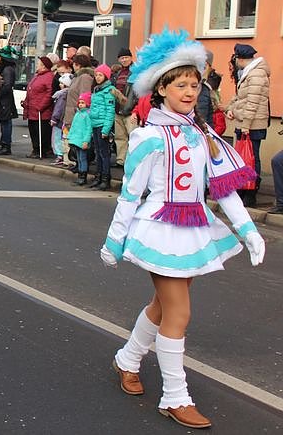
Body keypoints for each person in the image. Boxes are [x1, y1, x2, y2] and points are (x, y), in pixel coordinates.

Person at [101, 28, 264, 430]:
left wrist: (249, 230)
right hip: (160, 229)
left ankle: (127, 359)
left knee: (162, 306)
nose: (190, 92)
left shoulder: (203, 133)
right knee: (179, 312)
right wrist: (114, 239)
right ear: (161, 89)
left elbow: (223, 189)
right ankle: (175, 396)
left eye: (194, 84)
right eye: (181, 85)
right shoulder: (149, 136)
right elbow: (130, 193)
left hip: (193, 228)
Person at [225, 43, 270, 208]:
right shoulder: (248, 72)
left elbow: (252, 102)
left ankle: (251, 193)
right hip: (245, 122)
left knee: (252, 157)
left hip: (252, 124)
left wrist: (246, 124)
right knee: (243, 157)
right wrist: (230, 109)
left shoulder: (256, 73)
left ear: (240, 58)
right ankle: (243, 188)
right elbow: (240, 97)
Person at [88, 64, 116, 190]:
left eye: (100, 75)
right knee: (98, 152)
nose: (98, 77)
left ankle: (105, 178)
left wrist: (106, 129)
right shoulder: (96, 90)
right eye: (96, 75)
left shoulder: (108, 91)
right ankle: (98, 176)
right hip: (95, 124)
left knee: (104, 154)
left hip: (102, 125)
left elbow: (110, 111)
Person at [22, 55, 54, 158]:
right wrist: (25, 102)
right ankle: (35, 149)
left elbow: (49, 93)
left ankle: (42, 150)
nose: (37, 65)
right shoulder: (37, 76)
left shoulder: (49, 76)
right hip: (32, 109)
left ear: (44, 66)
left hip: (41, 111)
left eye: (39, 64)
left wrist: (42, 105)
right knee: (33, 131)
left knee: (41, 132)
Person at [110, 48, 136, 167]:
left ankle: (133, 161)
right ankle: (121, 161)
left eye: (126, 57)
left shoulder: (136, 72)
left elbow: (138, 93)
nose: (124, 60)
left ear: (131, 58)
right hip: (118, 109)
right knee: (120, 138)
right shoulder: (118, 73)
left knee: (133, 136)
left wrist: (134, 108)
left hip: (130, 110)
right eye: (122, 58)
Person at [0, 47, 19, 156]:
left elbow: (7, 86)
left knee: (5, 122)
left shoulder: (7, 70)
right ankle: (4, 142)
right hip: (4, 100)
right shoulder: (5, 69)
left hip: (5, 101)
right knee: (4, 122)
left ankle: (6, 145)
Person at [67, 92, 93, 185]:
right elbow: (73, 127)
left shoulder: (87, 115)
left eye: (83, 103)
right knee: (79, 158)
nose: (81, 104)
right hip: (76, 140)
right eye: (80, 102)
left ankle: (83, 176)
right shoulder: (77, 114)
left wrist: (86, 141)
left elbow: (89, 129)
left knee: (83, 158)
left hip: (82, 141)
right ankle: (80, 175)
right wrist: (70, 137)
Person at [50, 70, 72, 166]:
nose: (60, 85)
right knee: (63, 138)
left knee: (57, 138)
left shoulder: (62, 95)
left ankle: (59, 155)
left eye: (62, 83)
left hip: (59, 121)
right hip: (63, 120)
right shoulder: (69, 94)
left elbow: (58, 108)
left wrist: (54, 118)